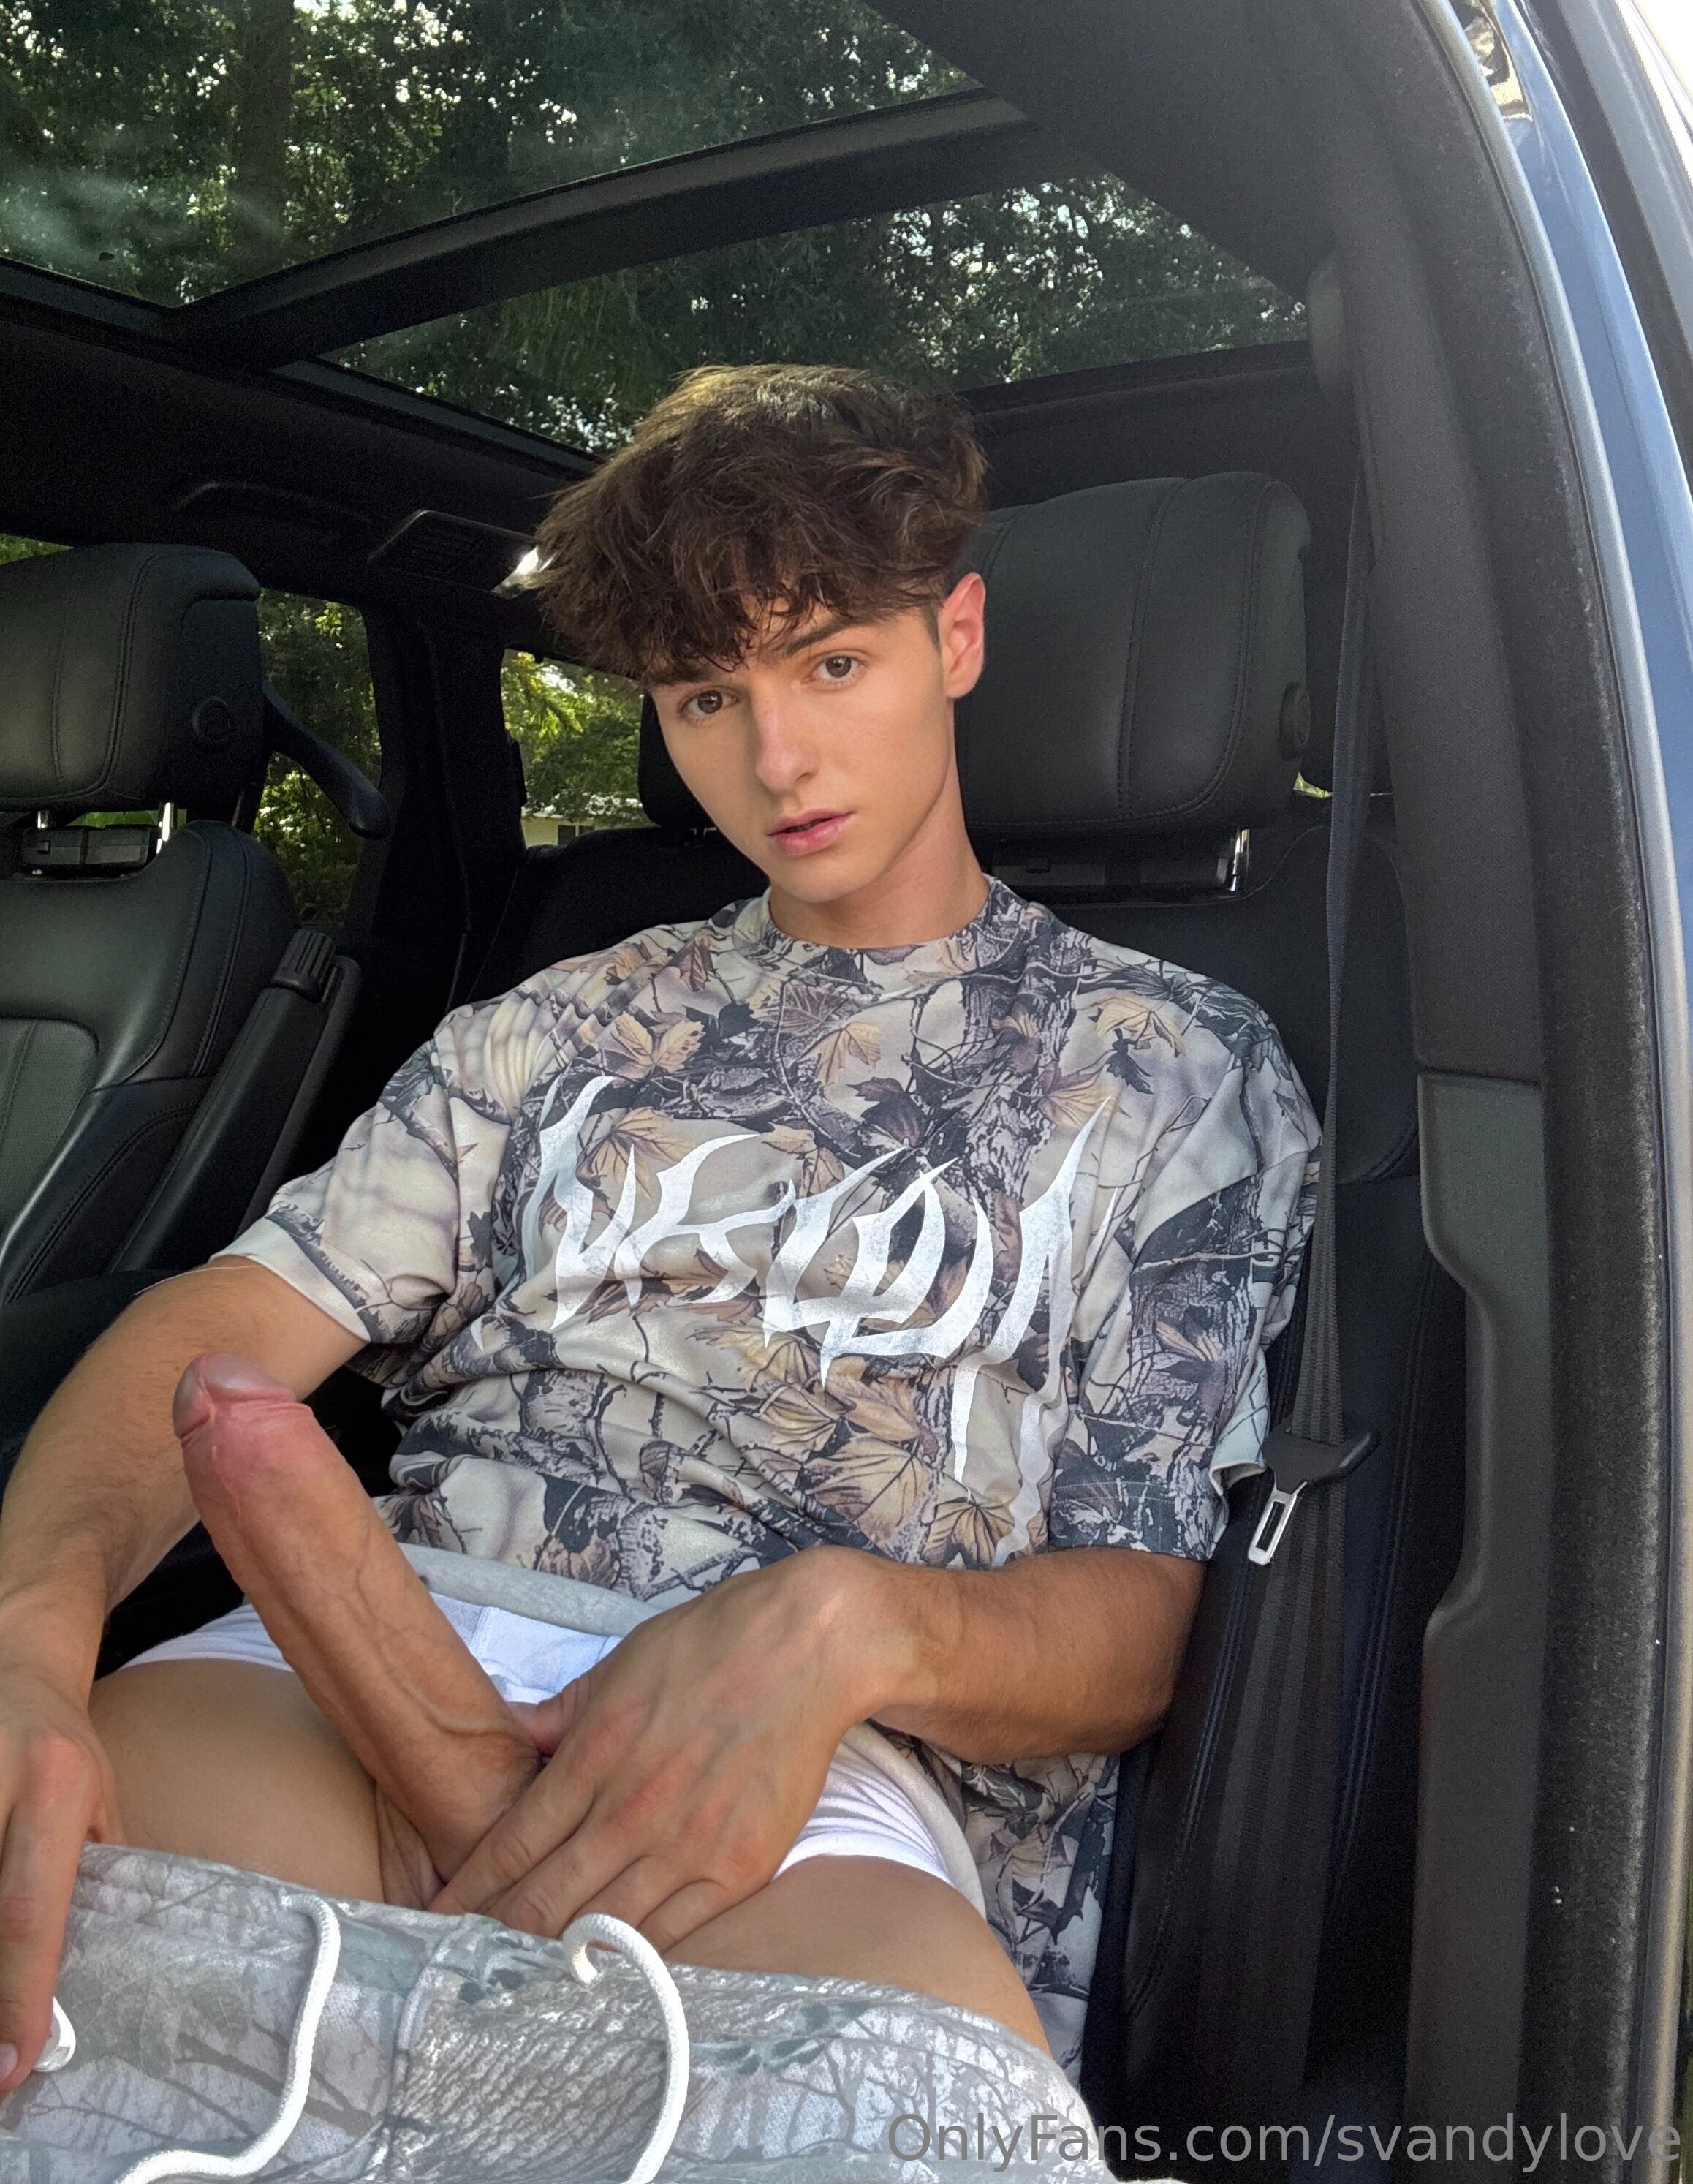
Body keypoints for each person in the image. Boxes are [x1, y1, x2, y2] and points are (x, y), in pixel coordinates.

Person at [0, 364, 1319, 2095]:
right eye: (707, 695)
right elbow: (218, 1329)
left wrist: (856, 1625)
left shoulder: (1177, 1066)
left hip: (825, 1762)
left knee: (898, 2112)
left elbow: (1145, 1610)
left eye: (831, 662)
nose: (776, 760)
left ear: (957, 635)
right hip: (379, 1649)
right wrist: (28, 1635)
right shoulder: (557, 1025)